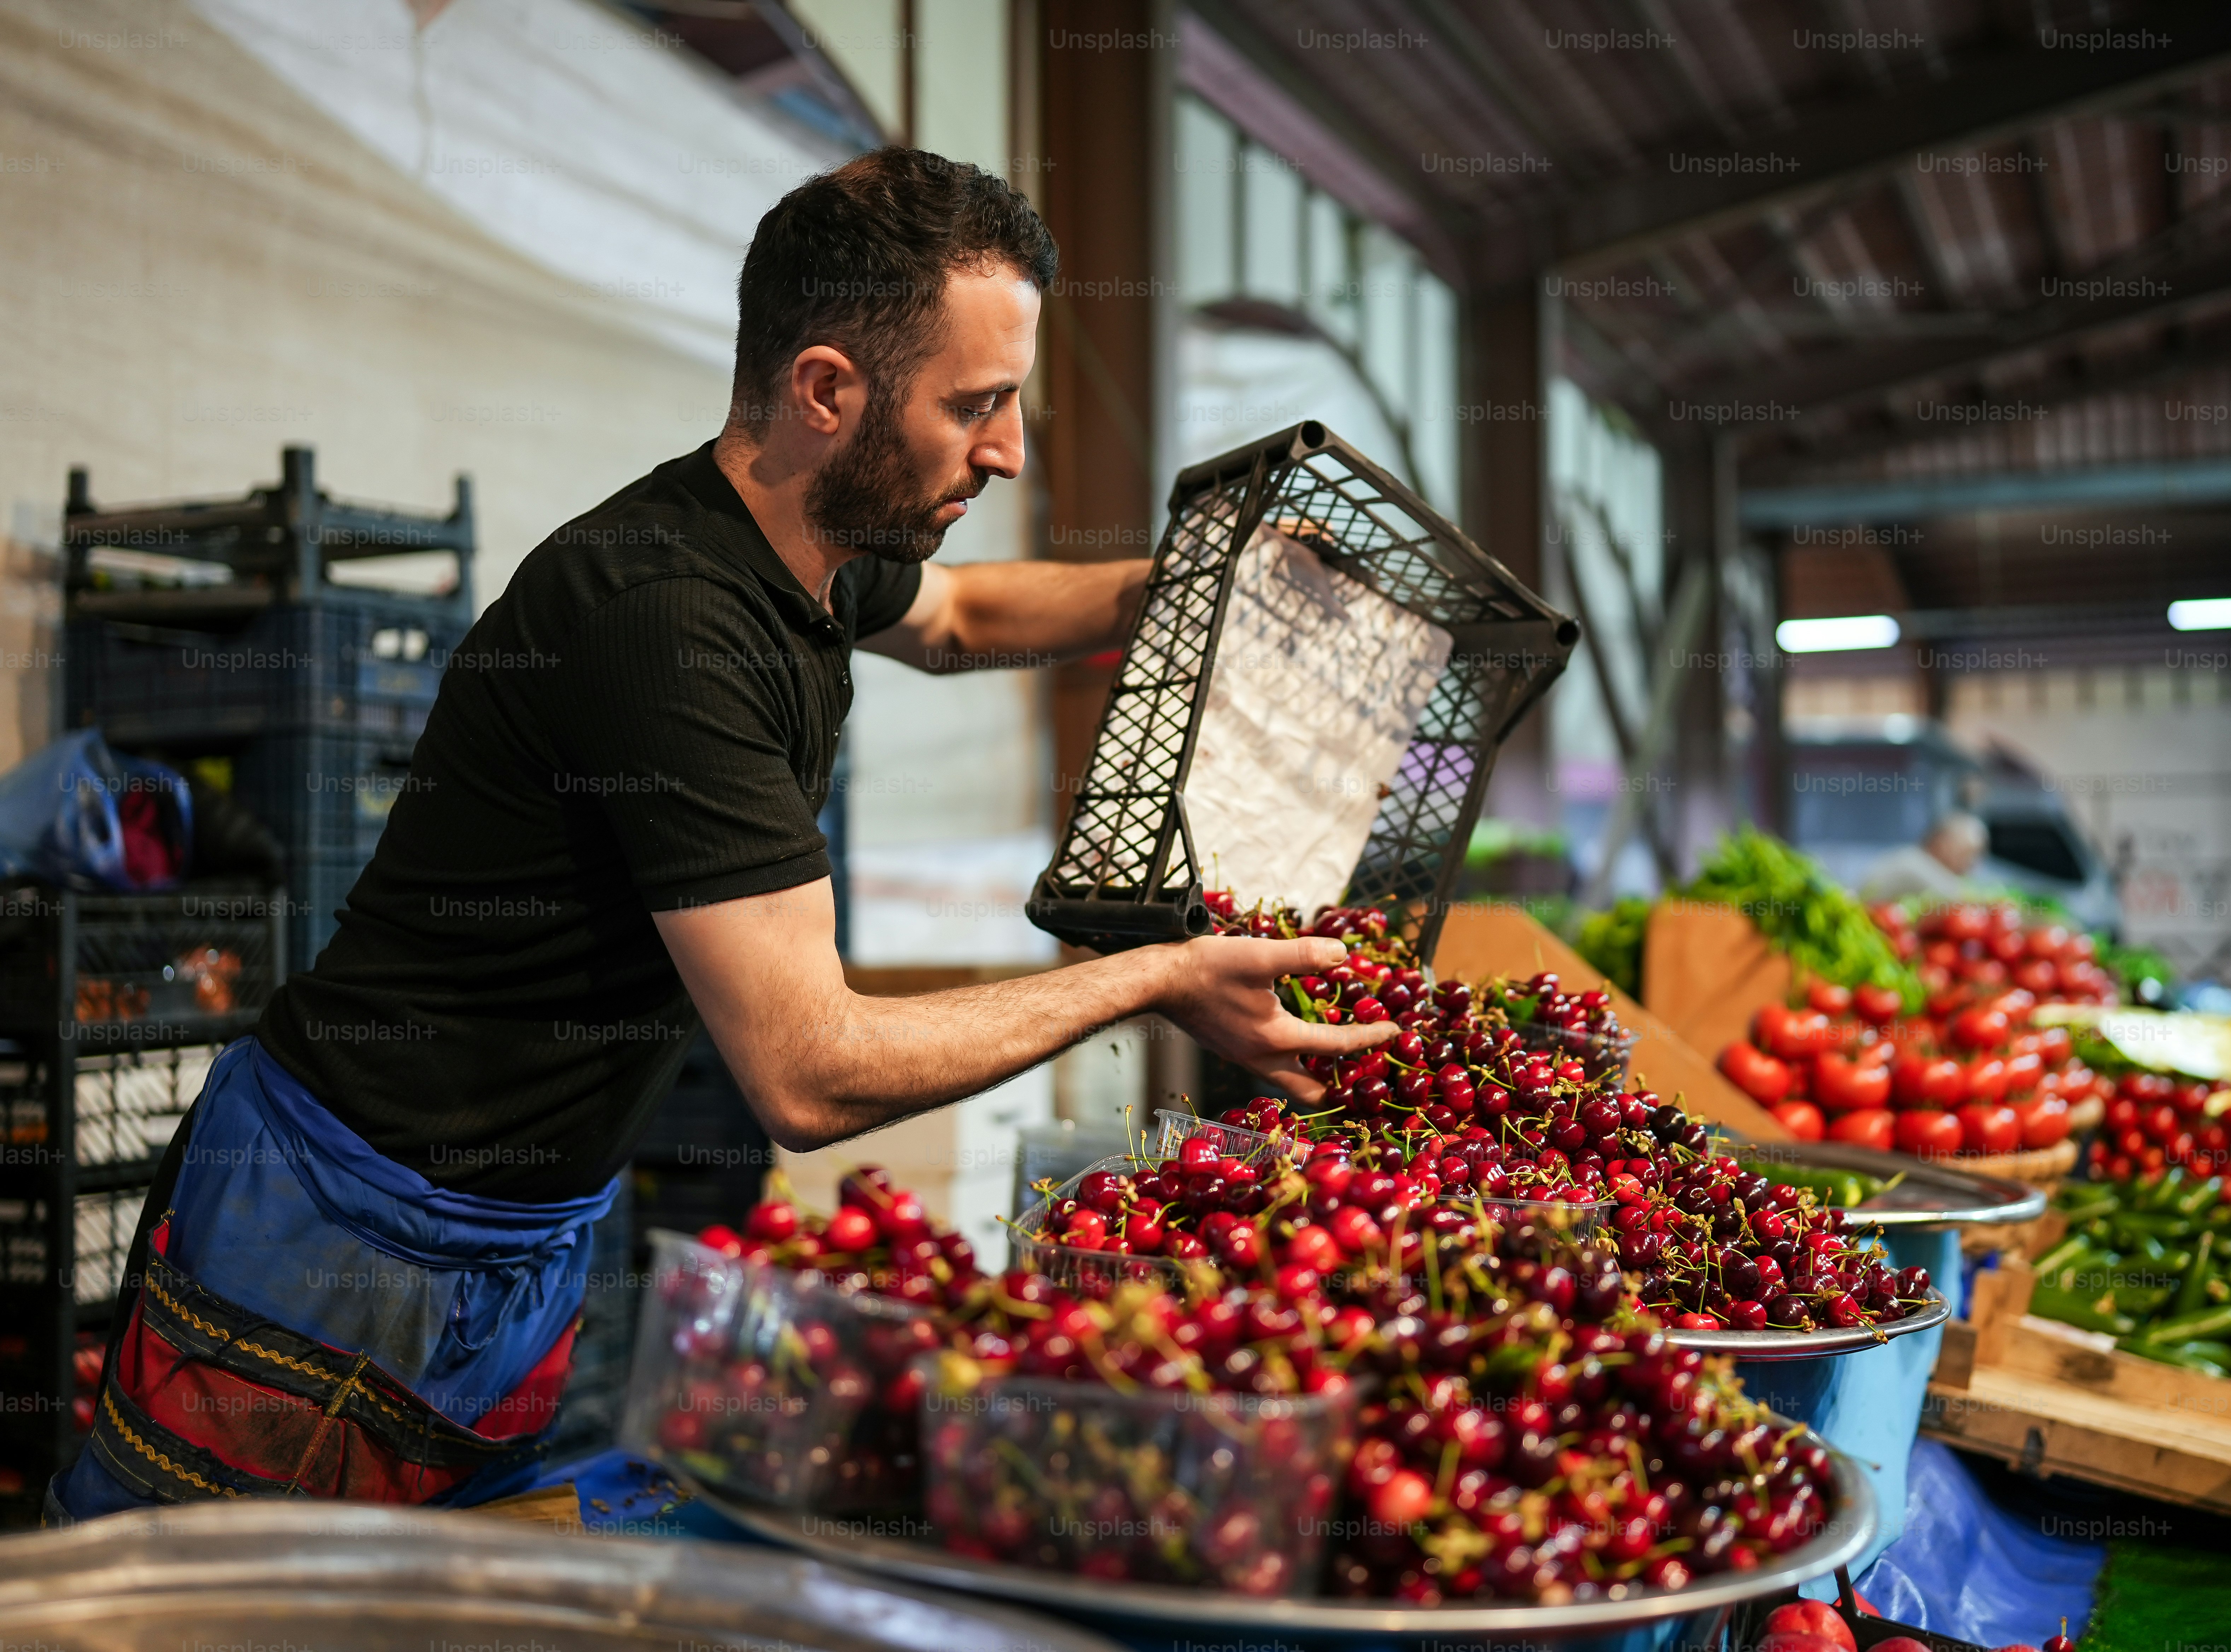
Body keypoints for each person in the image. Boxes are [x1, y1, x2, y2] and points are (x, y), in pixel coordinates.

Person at [51, 149, 1394, 1520]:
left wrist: (1195, 589)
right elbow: (810, 1074)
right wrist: (1159, 977)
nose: (1009, 451)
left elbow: (964, 619)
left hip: (517, 1228)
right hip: (346, 1223)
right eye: (977, 407)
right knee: (201, 1603)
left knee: (429, 1599)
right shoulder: (669, 624)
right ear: (825, 391)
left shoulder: (810, 545)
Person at [1859, 811, 1988, 905]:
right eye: (1966, 853)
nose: (1971, 863)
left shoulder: (1911, 857)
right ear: (1943, 843)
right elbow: (1960, 900)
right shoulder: (1913, 864)